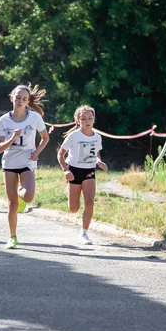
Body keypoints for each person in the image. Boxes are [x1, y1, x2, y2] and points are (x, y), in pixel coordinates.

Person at [0, 84, 49, 249]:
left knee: (28, 196)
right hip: (10, 163)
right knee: (12, 204)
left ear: (28, 102)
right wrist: (12, 138)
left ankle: (21, 193)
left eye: (24, 99)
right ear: (12, 98)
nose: (20, 101)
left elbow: (45, 138)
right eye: (18, 97)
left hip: (27, 161)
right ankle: (12, 237)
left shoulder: (34, 118)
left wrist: (37, 152)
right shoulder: (4, 120)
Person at [57, 105, 108, 245]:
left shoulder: (97, 137)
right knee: (74, 209)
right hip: (74, 171)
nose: (87, 121)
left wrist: (99, 162)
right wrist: (66, 170)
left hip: (89, 171)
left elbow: (95, 154)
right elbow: (60, 154)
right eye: (83, 118)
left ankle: (84, 233)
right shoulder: (73, 136)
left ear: (94, 120)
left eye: (90, 118)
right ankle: (69, 189)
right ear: (77, 120)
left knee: (90, 202)